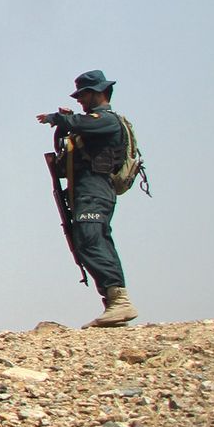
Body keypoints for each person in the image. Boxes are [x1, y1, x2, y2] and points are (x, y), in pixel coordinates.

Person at [36, 69, 138, 328]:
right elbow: (71, 145)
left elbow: (83, 124)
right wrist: (65, 124)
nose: (80, 100)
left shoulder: (107, 120)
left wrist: (58, 119)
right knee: (88, 240)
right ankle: (114, 302)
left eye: (83, 95)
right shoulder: (91, 123)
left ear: (98, 93)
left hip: (96, 190)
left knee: (91, 238)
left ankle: (119, 301)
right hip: (86, 192)